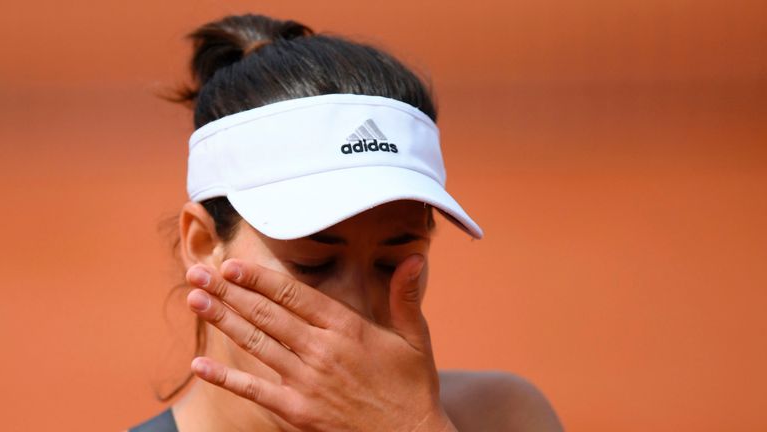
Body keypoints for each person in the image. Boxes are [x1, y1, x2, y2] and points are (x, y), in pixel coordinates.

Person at [129, 13, 563, 432]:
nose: (355, 313)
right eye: (313, 264)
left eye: (391, 265)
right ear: (203, 245)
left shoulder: (504, 416)